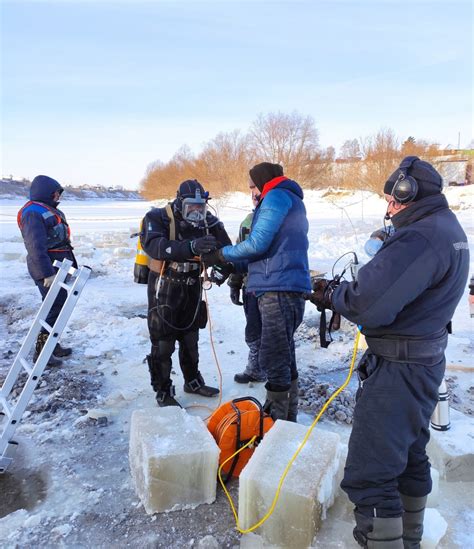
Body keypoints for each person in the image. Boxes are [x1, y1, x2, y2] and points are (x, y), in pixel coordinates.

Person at [311, 156, 469, 548]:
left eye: (392, 201)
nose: (388, 209)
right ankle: (409, 540)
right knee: (410, 457)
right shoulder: (445, 227)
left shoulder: (420, 237)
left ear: (408, 193)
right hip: (421, 361)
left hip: (399, 370)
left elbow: (369, 303)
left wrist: (332, 294)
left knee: (370, 474)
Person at [203, 162, 311, 422]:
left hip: (278, 288)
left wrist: (220, 253)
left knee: (274, 356)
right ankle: (288, 420)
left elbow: (257, 244)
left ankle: (276, 422)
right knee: (284, 355)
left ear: (262, 181)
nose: (251, 191)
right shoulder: (287, 198)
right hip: (280, 284)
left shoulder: (276, 196)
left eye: (252, 185)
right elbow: (264, 253)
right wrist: (229, 267)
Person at [140, 179, 232, 407]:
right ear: (180, 201)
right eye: (192, 206)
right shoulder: (158, 217)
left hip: (192, 284)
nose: (197, 212)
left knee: (191, 337)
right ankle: (162, 390)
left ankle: (192, 380)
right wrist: (189, 248)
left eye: (201, 207)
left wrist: (221, 268)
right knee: (163, 341)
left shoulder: (209, 223)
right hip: (165, 284)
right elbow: (154, 246)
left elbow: (228, 250)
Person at [17, 175, 77, 366]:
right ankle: (42, 352)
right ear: (47, 192)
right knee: (53, 308)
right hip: (47, 267)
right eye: (57, 193)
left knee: (56, 307)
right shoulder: (33, 213)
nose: (59, 196)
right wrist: (46, 273)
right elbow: (35, 247)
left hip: (58, 266)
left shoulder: (46, 209)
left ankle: (51, 344)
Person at [227, 191, 266, 384]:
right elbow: (239, 254)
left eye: (257, 193)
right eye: (253, 194)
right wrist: (234, 283)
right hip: (250, 284)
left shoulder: (281, 219)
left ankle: (269, 369)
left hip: (271, 286)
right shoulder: (247, 222)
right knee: (253, 330)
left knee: (271, 331)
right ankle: (256, 368)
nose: (254, 196)